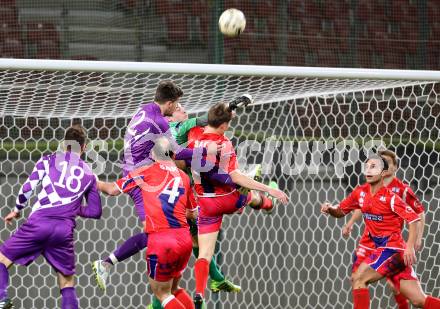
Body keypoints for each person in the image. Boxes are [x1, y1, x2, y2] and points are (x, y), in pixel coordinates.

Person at [92, 80, 218, 292]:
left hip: (136, 171)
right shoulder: (159, 121)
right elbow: (176, 152)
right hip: (142, 178)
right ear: (168, 103)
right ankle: (106, 263)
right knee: (153, 232)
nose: (177, 108)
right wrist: (204, 153)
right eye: (176, 104)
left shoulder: (143, 109)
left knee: (168, 224)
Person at [188, 102, 289, 308]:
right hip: (228, 199)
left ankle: (199, 292)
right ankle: (268, 201)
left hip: (206, 204)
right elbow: (235, 176)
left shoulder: (194, 139)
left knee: (205, 254)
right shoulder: (224, 144)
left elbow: (214, 119)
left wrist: (231, 107)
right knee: (249, 192)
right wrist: (270, 189)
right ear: (224, 126)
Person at [0, 125, 102, 309]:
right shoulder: (89, 174)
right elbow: (95, 212)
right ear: (84, 147)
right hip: (63, 230)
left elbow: (27, 188)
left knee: (2, 259)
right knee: (67, 283)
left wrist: (16, 209)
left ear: (65, 145)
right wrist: (72, 208)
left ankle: (1, 298)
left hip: (39, 223)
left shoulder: (48, 160)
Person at [321, 155, 440, 309]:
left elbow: (414, 219)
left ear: (383, 173)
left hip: (393, 249)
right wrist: (330, 209)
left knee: (359, 279)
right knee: (418, 300)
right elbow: (341, 211)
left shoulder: (391, 197)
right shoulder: (360, 193)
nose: (369, 170)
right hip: (380, 248)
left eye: (374, 167)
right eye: (367, 167)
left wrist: (410, 247)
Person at [97, 138, 196, 309]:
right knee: (173, 288)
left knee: (162, 293)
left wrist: (94, 181)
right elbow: (193, 213)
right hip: (184, 240)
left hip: (162, 241)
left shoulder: (146, 171)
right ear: (173, 155)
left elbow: (112, 190)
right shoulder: (184, 177)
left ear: (151, 154)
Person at [342, 149, 426, 309]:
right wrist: (350, 222)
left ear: (393, 168)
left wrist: (417, 239)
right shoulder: (367, 188)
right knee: (356, 279)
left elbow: (419, 214)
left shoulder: (401, 190)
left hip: (390, 244)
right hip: (369, 242)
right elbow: (361, 205)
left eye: (386, 162)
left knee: (403, 292)